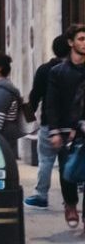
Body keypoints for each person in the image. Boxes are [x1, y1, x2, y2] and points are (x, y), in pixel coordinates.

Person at [40, 24, 85, 227]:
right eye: (81, 39)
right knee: (68, 171)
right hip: (66, 130)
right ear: (71, 42)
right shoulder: (58, 71)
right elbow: (51, 102)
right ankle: (70, 203)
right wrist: (54, 130)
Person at [24, 34, 71, 209]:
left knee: (46, 161)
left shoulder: (45, 69)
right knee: (68, 161)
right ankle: (69, 199)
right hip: (71, 125)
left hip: (49, 123)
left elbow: (35, 95)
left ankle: (41, 195)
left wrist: (29, 119)